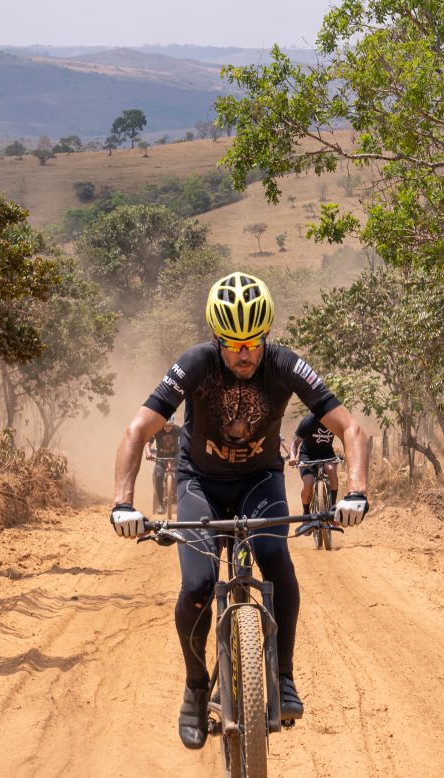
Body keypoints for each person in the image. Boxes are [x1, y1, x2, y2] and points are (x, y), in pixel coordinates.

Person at [110, 272, 371, 749]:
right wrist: (123, 504)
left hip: (260, 481)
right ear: (216, 337)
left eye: (252, 342)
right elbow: (136, 430)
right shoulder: (195, 363)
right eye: (232, 344)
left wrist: (356, 491)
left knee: (276, 559)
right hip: (199, 483)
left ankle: (285, 678)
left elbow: (351, 429)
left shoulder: (286, 365)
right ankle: (194, 689)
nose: (243, 353)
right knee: (197, 584)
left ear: (266, 335)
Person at [290, 408, 340, 513]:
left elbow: (346, 437)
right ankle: (306, 513)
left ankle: (332, 506)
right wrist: (292, 457)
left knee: (331, 470)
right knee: (309, 482)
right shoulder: (308, 421)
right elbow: (295, 442)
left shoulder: (335, 420)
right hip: (307, 455)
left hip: (326, 453)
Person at [145, 418, 180, 514]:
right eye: (165, 426)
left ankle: (178, 496)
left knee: (180, 472)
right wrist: (148, 454)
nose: (167, 428)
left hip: (175, 457)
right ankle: (160, 504)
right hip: (161, 458)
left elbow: (186, 441)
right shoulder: (157, 430)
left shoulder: (178, 430)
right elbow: (148, 444)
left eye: (169, 426)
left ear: (173, 424)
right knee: (158, 475)